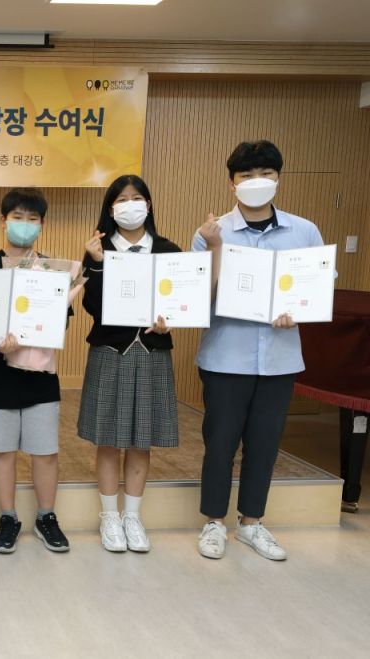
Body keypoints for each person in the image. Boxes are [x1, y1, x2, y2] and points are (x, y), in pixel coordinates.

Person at [193, 140, 325, 561]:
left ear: (278, 179)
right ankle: (214, 522)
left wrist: (297, 312)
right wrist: (214, 248)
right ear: (231, 183)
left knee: (265, 444)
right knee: (220, 444)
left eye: (265, 173)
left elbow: (315, 290)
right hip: (225, 356)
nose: (257, 181)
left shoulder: (304, 231)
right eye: (247, 175)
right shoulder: (212, 232)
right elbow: (196, 298)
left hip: (279, 358)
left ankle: (251, 523)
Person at [78, 175, 180, 553]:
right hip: (111, 350)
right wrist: (97, 264)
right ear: (110, 208)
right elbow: (92, 307)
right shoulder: (99, 249)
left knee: (141, 439)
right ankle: (109, 516)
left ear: (148, 205)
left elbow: (181, 300)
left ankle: (132, 517)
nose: (130, 205)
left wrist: (171, 319)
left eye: (137, 198)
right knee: (108, 438)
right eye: (122, 199)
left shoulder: (168, 251)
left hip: (152, 351)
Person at [0, 187, 71, 554]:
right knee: (2, 451)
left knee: (45, 451)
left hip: (39, 375)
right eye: (17, 217)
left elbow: (61, 322)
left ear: (42, 224)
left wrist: (29, 334)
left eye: (32, 219)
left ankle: (46, 516)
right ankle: (8, 517)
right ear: (3, 221)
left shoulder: (52, 270)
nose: (24, 224)